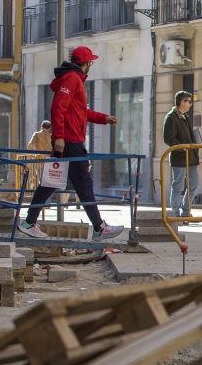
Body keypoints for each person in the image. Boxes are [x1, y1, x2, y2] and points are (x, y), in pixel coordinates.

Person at [16, 46, 124, 240]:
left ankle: (28, 222)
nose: (91, 64)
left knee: (51, 182)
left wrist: (103, 118)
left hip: (68, 140)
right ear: (87, 63)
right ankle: (99, 227)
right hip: (70, 141)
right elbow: (58, 107)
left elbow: (81, 111)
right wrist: (59, 136)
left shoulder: (71, 78)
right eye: (91, 61)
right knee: (83, 183)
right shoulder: (73, 78)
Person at [163, 91, 199, 223]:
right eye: (189, 101)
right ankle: (175, 214)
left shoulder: (185, 117)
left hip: (192, 157)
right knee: (178, 186)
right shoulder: (171, 117)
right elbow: (168, 138)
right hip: (179, 157)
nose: (191, 104)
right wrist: (181, 146)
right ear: (182, 102)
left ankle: (185, 212)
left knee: (194, 185)